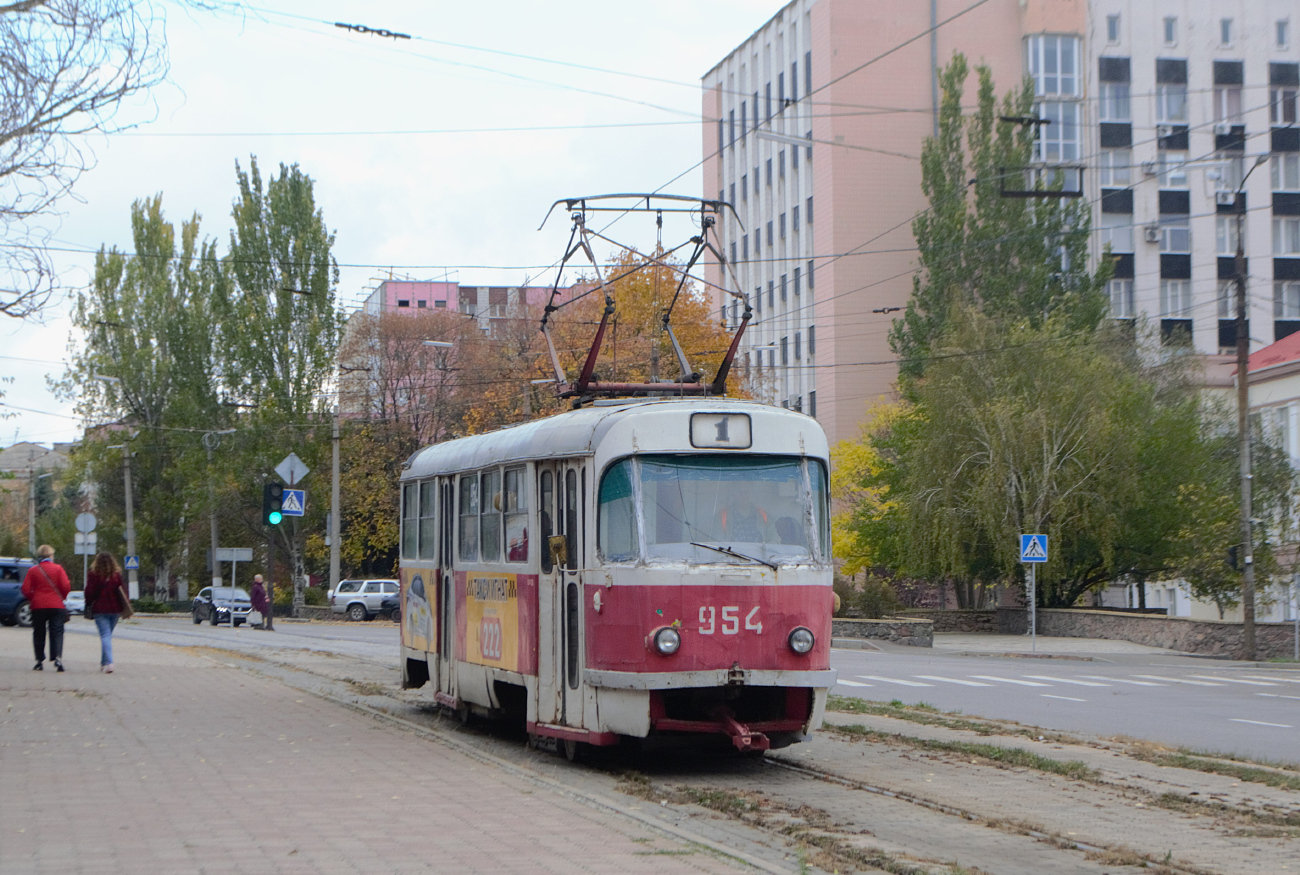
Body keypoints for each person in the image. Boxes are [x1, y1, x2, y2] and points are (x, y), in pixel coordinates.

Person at [21, 544, 70, 672]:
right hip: (56, 605)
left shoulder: (33, 570)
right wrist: (62, 597)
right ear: (50, 555)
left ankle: (39, 661)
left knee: (39, 632)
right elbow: (66, 586)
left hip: (38, 606)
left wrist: (34, 598)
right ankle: (57, 658)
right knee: (57, 632)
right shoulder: (58, 569)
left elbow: (25, 589)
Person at [85, 551, 127, 673]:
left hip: (100, 609)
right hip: (115, 609)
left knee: (105, 636)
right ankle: (103, 664)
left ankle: (109, 663)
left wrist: (88, 603)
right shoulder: (116, 575)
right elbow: (123, 592)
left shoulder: (93, 575)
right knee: (107, 636)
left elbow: (89, 593)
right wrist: (126, 608)